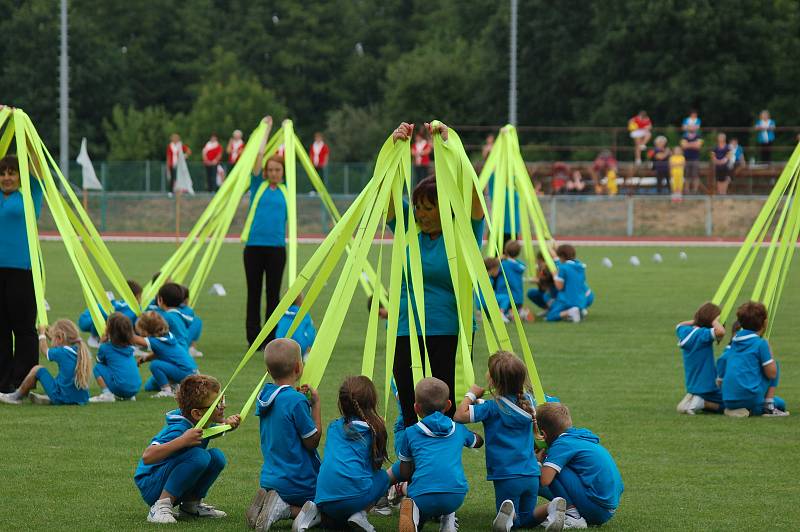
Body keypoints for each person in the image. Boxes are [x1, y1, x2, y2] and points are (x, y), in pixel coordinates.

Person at [387, 121, 485, 427]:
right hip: (407, 328)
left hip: (449, 330)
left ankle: (441, 468)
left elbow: (474, 200)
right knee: (408, 403)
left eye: (428, 207)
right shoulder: (408, 230)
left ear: (445, 207)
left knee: (444, 407)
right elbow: (387, 198)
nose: (420, 213)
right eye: (417, 207)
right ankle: (406, 470)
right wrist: (393, 149)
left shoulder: (463, 232)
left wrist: (450, 147)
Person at [453, 352, 560, 532]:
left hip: (506, 476)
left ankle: (507, 520)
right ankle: (551, 508)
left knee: (511, 520)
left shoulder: (491, 408)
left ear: (493, 381)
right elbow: (507, 406)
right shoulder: (529, 402)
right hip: (532, 474)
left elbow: (459, 415)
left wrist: (470, 395)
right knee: (526, 518)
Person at [293, 376, 403, 531]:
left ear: (342, 404)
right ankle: (361, 515)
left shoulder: (334, 427)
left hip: (322, 497)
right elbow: (375, 467)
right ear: (372, 403)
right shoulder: (373, 430)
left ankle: (316, 512)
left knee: (338, 523)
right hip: (352, 499)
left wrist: (314, 403)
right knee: (383, 478)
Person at [133, 374, 241, 524]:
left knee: (216, 457)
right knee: (199, 456)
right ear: (197, 413)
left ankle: (191, 505)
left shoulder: (199, 421)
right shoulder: (179, 429)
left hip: (167, 479)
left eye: (222, 399)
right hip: (153, 485)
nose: (223, 406)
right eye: (217, 404)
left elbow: (208, 432)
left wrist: (227, 426)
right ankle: (160, 507)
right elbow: (148, 456)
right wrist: (182, 440)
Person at [248, 339, 322, 531]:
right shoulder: (296, 401)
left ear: (268, 370)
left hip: (271, 479)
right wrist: (315, 406)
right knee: (330, 509)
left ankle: (266, 503)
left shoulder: (267, 395)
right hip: (299, 481)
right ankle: (284, 509)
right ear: (299, 367)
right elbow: (312, 442)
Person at [396, 377, 484, 532]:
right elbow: (477, 441)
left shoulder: (410, 433)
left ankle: (415, 515)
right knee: (448, 478)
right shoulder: (458, 429)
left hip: (423, 495)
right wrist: (474, 436)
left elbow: (404, 471)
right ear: (448, 405)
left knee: (415, 489)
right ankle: (448, 521)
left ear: (416, 408)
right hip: (455, 496)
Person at [537, 402, 624, 528]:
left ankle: (573, 516)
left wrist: (538, 462)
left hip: (596, 508)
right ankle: (568, 511)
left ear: (543, 434)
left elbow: (544, 480)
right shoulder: (579, 437)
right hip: (608, 509)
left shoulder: (562, 444)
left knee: (550, 468)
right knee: (553, 467)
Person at [243, 115, 288, 347]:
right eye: (270, 169)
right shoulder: (258, 185)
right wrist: (267, 131)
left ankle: (270, 338)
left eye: (277, 169)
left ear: (283, 172)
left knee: (273, 295)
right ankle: (254, 338)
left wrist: (286, 130)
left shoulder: (287, 189)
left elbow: (288, 155)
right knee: (254, 293)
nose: (273, 173)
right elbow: (258, 158)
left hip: (277, 249)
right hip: (253, 247)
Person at [0, 154, 43, 393]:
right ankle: (3, 380)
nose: (7, 177)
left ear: (20, 175)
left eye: (12, 172)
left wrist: (21, 127)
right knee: (1, 329)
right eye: (3, 172)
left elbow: (36, 166)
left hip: (22, 271)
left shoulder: (31, 193)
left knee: (24, 328)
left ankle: (23, 380)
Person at [720, 301, 789, 417]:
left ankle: (736, 409)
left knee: (778, 401)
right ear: (764, 322)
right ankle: (768, 407)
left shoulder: (735, 340)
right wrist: (769, 350)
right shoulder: (760, 344)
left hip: (728, 398)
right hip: (750, 397)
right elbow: (772, 374)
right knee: (780, 401)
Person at [0, 319, 90, 406]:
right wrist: (49, 335)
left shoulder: (62, 352)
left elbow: (45, 350)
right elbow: (58, 344)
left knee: (38, 369)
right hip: (81, 398)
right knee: (60, 378)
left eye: (54, 337)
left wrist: (42, 334)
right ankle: (50, 397)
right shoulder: (78, 350)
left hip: (62, 398)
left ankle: (16, 396)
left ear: (60, 337)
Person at [674, 302, 726, 415]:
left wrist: (700, 320)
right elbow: (721, 331)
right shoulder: (703, 335)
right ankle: (701, 403)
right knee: (731, 403)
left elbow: (679, 325)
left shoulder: (685, 331)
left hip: (693, 385)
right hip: (708, 386)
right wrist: (713, 321)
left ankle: (692, 399)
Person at [134, 311, 198, 399]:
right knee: (149, 387)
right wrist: (145, 359)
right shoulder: (168, 336)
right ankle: (175, 387)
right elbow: (159, 353)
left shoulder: (157, 341)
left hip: (186, 373)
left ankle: (167, 391)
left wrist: (121, 330)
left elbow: (134, 339)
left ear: (145, 330)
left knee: (155, 365)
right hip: (192, 371)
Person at [89, 312, 142, 402]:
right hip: (135, 389)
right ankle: (129, 396)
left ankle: (107, 394)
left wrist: (102, 343)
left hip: (120, 387)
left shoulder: (106, 347)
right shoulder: (130, 348)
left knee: (97, 368)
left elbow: (99, 361)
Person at [78, 279, 142, 347]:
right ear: (136, 297)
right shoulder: (133, 309)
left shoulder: (122, 304)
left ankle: (96, 337)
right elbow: (121, 323)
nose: (141, 300)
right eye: (140, 297)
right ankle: (96, 338)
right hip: (88, 320)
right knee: (114, 321)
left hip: (86, 317)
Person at [547, 245, 586, 323]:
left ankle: (570, 312)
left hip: (568, 300)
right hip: (581, 300)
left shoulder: (563, 268)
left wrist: (555, 276)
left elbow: (559, 287)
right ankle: (578, 311)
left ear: (562, 256)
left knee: (550, 316)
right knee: (555, 306)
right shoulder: (580, 266)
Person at [275, 292, 317, 361]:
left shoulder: (281, 314)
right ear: (300, 301)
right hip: (300, 346)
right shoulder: (304, 315)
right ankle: (306, 354)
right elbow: (311, 332)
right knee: (310, 331)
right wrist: (311, 344)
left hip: (281, 345)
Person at [495, 240, 528, 320]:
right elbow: (521, 265)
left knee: (505, 308)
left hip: (505, 297)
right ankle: (518, 313)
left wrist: (499, 258)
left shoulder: (503, 265)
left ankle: (509, 314)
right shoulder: (520, 266)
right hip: (518, 298)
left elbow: (493, 269)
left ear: (505, 251)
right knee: (515, 309)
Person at [153, 282, 191, 349]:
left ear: (160, 300)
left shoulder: (166, 317)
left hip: (174, 353)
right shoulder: (178, 315)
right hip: (183, 350)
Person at [527, 252, 557, 316]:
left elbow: (549, 280)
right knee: (531, 293)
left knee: (546, 296)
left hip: (553, 293)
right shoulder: (539, 269)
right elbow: (541, 286)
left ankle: (554, 311)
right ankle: (547, 309)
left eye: (538, 260)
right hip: (544, 291)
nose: (536, 262)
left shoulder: (550, 268)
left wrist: (539, 280)